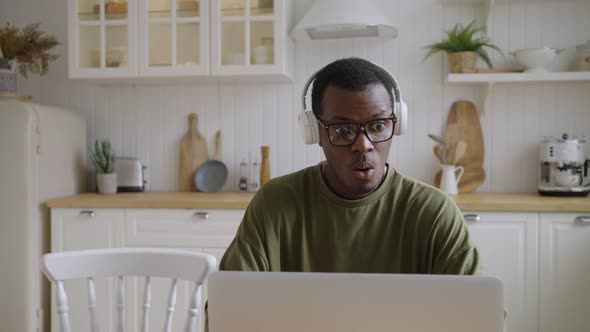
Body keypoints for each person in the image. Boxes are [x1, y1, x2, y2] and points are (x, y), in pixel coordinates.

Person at [218, 57, 483, 275]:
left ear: (397, 125)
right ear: (315, 133)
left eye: (378, 126)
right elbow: (226, 311)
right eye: (343, 130)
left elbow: (480, 315)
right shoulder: (274, 203)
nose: (363, 145)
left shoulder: (435, 213)